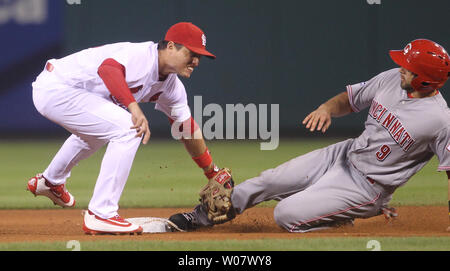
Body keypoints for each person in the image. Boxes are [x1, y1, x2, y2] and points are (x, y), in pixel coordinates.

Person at [168, 39, 450, 233]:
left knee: (286, 216)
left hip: (367, 187)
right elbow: (350, 99)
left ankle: (346, 219)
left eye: (409, 66)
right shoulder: (392, 78)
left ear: (426, 79)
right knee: (268, 180)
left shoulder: (439, 120)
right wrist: (327, 108)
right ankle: (201, 217)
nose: (402, 67)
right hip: (343, 154)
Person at [27, 22, 227, 235]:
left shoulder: (172, 87)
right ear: (170, 47)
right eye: (191, 53)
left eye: (200, 56)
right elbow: (108, 69)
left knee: (99, 132)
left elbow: (186, 128)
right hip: (58, 88)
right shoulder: (142, 56)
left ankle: (50, 182)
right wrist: (134, 107)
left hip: (69, 93)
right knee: (129, 128)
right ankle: (100, 214)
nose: (196, 61)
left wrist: (211, 172)